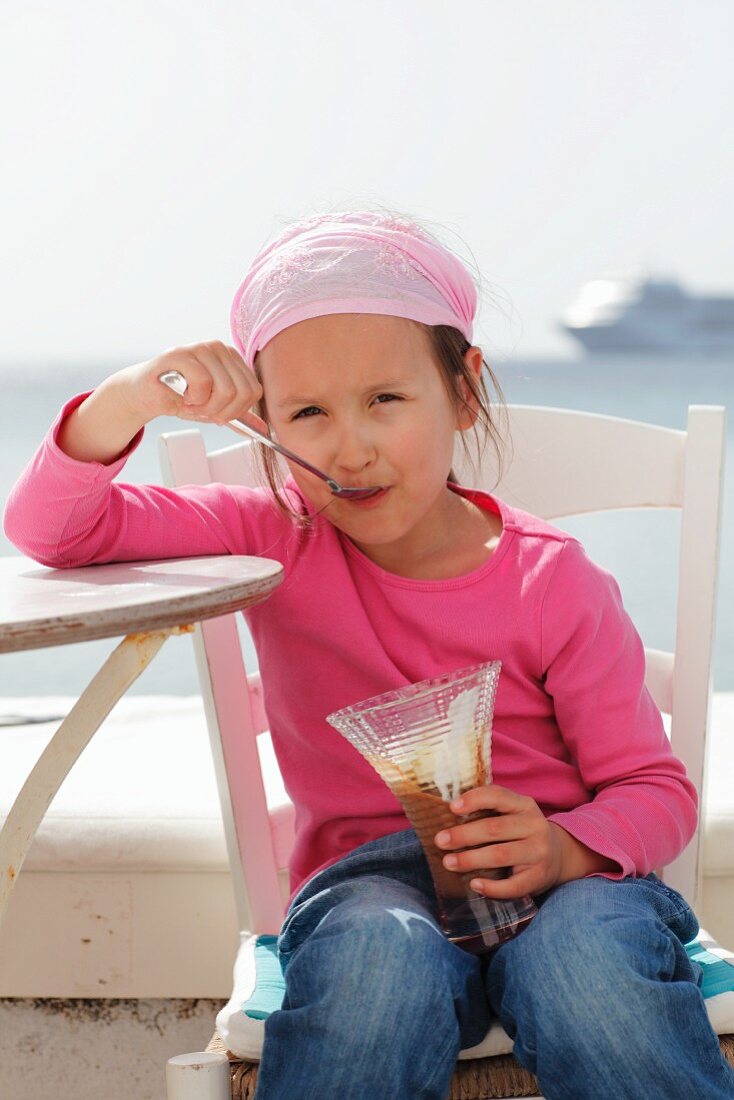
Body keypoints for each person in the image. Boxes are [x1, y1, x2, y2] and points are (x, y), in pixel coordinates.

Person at [4, 209, 733, 1100]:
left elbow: (654, 792)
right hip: (367, 892)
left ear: (464, 392)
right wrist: (131, 398)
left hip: (573, 889)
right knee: (374, 970)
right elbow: (54, 530)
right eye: (307, 412)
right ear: (264, 425)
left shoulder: (553, 582)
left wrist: (564, 849)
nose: (350, 446)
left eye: (386, 399)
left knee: (589, 972)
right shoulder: (266, 538)